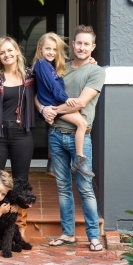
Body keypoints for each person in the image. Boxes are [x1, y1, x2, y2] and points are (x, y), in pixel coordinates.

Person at [39, 25, 106, 252]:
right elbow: (40, 94)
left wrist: (53, 110)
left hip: (81, 137)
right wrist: (42, 110)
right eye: (78, 43)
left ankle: (93, 237)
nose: (82, 47)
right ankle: (68, 234)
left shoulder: (96, 71)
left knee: (85, 188)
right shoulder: (60, 67)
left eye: (87, 44)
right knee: (63, 188)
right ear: (73, 45)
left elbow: (80, 103)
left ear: (93, 47)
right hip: (56, 135)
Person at [0, 36, 35, 241]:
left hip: (23, 134)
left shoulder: (30, 76)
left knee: (21, 183)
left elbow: (52, 73)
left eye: (10, 50)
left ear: (17, 52)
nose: (7, 54)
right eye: (2, 52)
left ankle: (19, 227)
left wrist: (88, 61)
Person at [32, 32, 94, 177]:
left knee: (81, 124)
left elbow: (65, 67)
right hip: (54, 103)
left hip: (54, 102)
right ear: (40, 48)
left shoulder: (49, 64)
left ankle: (75, 160)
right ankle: (79, 160)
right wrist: (65, 99)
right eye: (48, 49)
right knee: (82, 124)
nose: (51, 52)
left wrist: (87, 61)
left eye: (54, 50)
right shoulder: (41, 64)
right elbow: (53, 86)